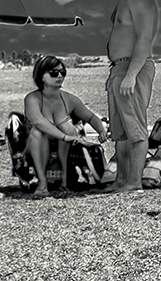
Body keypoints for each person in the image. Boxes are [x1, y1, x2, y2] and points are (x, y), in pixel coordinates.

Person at [103, 0, 159, 191]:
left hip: (132, 67)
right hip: (119, 68)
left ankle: (134, 181)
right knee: (120, 133)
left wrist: (131, 74)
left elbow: (144, 38)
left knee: (134, 129)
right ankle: (121, 180)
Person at [21, 55, 108, 198]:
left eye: (63, 72)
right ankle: (42, 183)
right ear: (41, 76)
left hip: (64, 143)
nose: (60, 76)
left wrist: (101, 130)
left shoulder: (68, 99)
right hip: (36, 143)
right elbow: (38, 121)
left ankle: (65, 181)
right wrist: (64, 136)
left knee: (68, 127)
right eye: (54, 73)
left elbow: (91, 116)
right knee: (38, 132)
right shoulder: (32, 99)